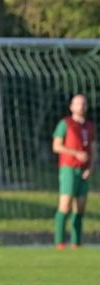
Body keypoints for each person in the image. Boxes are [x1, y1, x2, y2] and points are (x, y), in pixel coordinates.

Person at [52, 94, 96, 250]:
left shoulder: (90, 126)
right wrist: (75, 153)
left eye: (83, 103)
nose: (81, 107)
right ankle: (60, 242)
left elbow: (93, 149)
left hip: (83, 171)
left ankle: (76, 243)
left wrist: (91, 168)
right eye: (77, 104)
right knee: (65, 205)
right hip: (69, 168)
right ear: (71, 107)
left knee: (81, 207)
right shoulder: (65, 124)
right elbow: (56, 146)